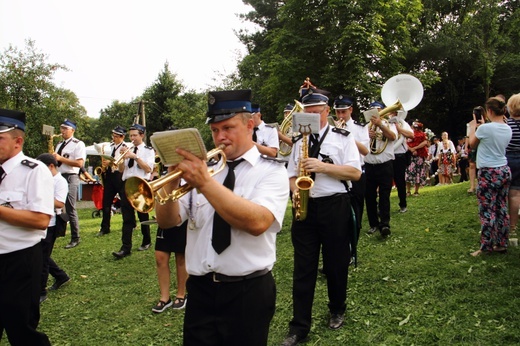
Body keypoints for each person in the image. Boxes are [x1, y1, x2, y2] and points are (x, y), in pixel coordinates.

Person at [155, 89, 289, 346]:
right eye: (215, 130)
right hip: (201, 290)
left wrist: (204, 183)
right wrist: (169, 187)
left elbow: (258, 222)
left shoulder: (270, 171)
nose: (220, 137)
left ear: (250, 124)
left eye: (228, 127)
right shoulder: (207, 170)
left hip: (248, 291)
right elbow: (168, 222)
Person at [282, 90, 361, 346]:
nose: (313, 117)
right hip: (305, 206)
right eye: (308, 113)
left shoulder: (342, 138)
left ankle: (337, 308)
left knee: (336, 263)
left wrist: (323, 167)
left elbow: (355, 173)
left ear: (327, 111)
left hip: (334, 204)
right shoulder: (298, 140)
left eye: (317, 112)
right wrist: (295, 190)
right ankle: (298, 327)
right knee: (303, 268)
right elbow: (292, 174)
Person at [0, 108, 53, 345]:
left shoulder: (34, 171)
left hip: (18, 261)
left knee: (21, 331)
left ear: (17, 141)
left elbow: (41, 220)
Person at [468, 97, 512, 256]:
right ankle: (501, 243)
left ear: (490, 111)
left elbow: (471, 144)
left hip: (488, 172)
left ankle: (486, 246)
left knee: (487, 209)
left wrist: (474, 127)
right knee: (501, 208)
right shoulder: (508, 128)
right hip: (504, 170)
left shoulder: (484, 129)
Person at [112, 123, 155, 259]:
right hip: (127, 184)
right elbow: (120, 170)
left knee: (143, 215)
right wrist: (121, 159)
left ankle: (146, 240)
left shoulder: (148, 150)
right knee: (127, 218)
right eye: (130, 135)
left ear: (142, 135)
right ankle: (125, 248)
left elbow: (148, 169)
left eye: (135, 135)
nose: (132, 138)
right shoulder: (127, 149)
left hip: (141, 184)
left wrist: (134, 157)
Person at [333, 94, 369, 245]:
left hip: (356, 173)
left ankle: (352, 248)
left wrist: (346, 135)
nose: (341, 115)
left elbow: (365, 151)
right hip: (337, 173)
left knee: (356, 211)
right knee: (337, 216)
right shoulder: (330, 128)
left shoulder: (360, 128)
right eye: (338, 112)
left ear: (351, 110)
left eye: (344, 112)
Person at [36, 153, 70, 304]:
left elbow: (60, 203)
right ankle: (60, 276)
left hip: (51, 223)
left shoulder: (60, 181)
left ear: (51, 166)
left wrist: (39, 196)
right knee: (40, 254)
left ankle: (41, 291)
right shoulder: (43, 179)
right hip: (39, 221)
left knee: (42, 258)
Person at [364, 101, 397, 238]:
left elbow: (393, 137)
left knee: (384, 196)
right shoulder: (365, 127)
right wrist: (367, 136)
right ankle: (373, 224)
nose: (376, 114)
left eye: (378, 111)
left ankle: (385, 224)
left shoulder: (390, 124)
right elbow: (358, 143)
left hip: (385, 164)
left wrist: (380, 125)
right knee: (370, 197)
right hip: (369, 164)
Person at [53, 118, 86, 249]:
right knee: (56, 205)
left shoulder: (78, 144)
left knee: (70, 207)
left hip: (71, 176)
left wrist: (60, 159)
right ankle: (58, 231)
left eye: (65, 128)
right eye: (61, 128)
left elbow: (79, 163)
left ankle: (75, 237)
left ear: (73, 130)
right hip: (58, 175)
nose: (62, 131)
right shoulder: (59, 144)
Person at [152, 221, 188, 313]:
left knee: (181, 257)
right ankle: (165, 298)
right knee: (160, 258)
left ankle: (181, 295)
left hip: (183, 217)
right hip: (167, 216)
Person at [97, 125, 128, 237]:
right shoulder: (110, 147)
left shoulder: (124, 147)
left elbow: (119, 163)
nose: (113, 138)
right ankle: (105, 227)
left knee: (125, 203)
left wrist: (110, 162)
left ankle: (130, 224)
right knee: (106, 202)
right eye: (113, 136)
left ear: (122, 137)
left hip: (119, 176)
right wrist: (104, 165)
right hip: (110, 176)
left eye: (116, 136)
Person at [389, 112, 414, 212]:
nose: (391, 114)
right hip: (387, 156)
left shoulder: (402, 123)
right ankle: (383, 207)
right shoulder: (386, 123)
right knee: (385, 182)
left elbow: (411, 135)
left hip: (399, 155)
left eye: (393, 112)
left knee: (400, 181)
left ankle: (403, 204)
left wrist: (399, 130)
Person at [505, 93, 520, 235]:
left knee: (511, 194)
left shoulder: (507, 125)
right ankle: (514, 226)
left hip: (510, 159)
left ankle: (511, 228)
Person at [405, 121, 429, 196]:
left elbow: (425, 143)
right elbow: (404, 143)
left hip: (419, 156)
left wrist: (415, 148)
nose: (415, 129)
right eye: (414, 127)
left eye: (416, 127)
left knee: (418, 172)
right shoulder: (409, 134)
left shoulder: (423, 134)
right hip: (410, 156)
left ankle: (416, 191)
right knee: (408, 172)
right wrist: (411, 149)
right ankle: (408, 191)